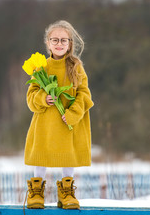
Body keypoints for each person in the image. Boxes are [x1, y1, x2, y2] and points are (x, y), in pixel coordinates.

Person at [24, 20, 93, 209]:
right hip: (46, 123)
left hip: (68, 122)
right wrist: (43, 98)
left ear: (70, 43)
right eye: (55, 40)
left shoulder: (76, 67)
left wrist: (73, 113)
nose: (59, 43)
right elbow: (31, 96)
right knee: (42, 155)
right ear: (47, 42)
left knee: (67, 155)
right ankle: (37, 191)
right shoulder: (40, 67)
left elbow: (85, 95)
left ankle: (66, 192)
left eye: (64, 40)